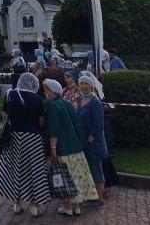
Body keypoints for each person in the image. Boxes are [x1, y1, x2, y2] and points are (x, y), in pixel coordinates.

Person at [0, 73, 50, 217]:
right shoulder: (37, 99)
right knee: (35, 170)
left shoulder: (9, 94)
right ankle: (34, 205)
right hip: (33, 138)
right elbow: (41, 121)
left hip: (14, 136)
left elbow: (4, 116)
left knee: (15, 168)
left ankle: (16, 203)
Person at [43, 78, 98, 216]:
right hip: (76, 148)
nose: (45, 93)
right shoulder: (66, 103)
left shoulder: (53, 107)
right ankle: (76, 207)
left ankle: (67, 206)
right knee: (77, 178)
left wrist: (53, 149)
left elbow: (54, 130)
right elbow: (76, 123)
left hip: (63, 148)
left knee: (65, 180)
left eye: (46, 90)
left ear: (51, 91)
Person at [77, 75, 108, 209]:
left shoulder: (95, 102)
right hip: (83, 142)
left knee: (96, 170)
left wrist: (92, 135)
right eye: (81, 83)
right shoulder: (80, 99)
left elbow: (99, 123)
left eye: (86, 83)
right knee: (88, 170)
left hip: (94, 143)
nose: (83, 86)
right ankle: (91, 196)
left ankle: (100, 199)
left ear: (91, 86)